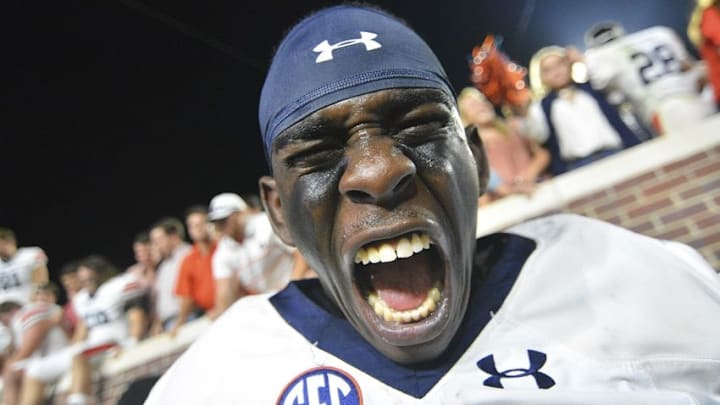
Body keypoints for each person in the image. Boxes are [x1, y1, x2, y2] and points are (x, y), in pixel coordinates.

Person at [146, 5, 720, 404]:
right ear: (277, 213)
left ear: (478, 160)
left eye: (417, 126)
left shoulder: (630, 274)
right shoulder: (213, 380)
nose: (378, 169)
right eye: (319, 154)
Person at [525, 46, 641, 175]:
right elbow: (537, 134)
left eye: (560, 65)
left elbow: (610, 76)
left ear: (569, 65)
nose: (556, 72)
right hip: (578, 167)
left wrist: (582, 60)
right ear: (541, 77)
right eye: (548, 70)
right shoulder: (541, 107)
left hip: (616, 154)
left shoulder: (592, 88)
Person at [584, 21, 714, 135]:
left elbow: (614, 99)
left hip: (663, 111)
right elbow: (688, 67)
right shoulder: (659, 33)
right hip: (696, 100)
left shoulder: (597, 56)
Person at [209, 192, 300, 316]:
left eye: (224, 220)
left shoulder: (266, 224)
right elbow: (224, 291)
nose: (219, 225)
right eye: (216, 221)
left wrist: (292, 285)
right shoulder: (223, 251)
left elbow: (300, 253)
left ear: (239, 213)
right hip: (270, 300)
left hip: (297, 285)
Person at [457, 87, 549, 203]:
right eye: (473, 105)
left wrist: (528, 175)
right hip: (506, 203)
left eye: (483, 101)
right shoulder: (468, 149)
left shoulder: (513, 127)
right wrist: (511, 189)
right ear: (464, 117)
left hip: (538, 190)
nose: (481, 105)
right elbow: (484, 180)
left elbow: (543, 154)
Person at [0, 285, 68, 405]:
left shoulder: (29, 312)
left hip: (56, 357)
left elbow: (28, 348)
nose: (3, 324)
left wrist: (12, 363)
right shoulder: (18, 322)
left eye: (3, 319)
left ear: (12, 311)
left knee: (12, 372)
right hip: (45, 359)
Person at [169, 205, 217, 337]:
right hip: (209, 314)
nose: (199, 228)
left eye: (202, 223)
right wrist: (180, 322)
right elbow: (186, 297)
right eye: (194, 225)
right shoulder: (188, 261)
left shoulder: (224, 247)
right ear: (189, 230)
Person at [149, 217, 191, 333]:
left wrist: (181, 320)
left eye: (159, 240)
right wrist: (158, 323)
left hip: (186, 319)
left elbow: (189, 294)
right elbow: (162, 299)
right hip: (168, 324)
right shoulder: (163, 267)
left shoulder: (188, 256)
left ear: (173, 237)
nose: (156, 246)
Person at [0, 227, 49, 305]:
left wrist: (31, 305)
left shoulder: (30, 255)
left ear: (9, 241)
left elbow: (41, 282)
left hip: (25, 306)